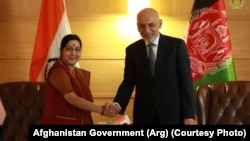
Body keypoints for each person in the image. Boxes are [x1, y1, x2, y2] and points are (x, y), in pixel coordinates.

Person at [104, 8, 195, 125]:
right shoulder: (132, 50)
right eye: (142, 26)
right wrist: (117, 104)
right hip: (144, 116)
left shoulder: (176, 46)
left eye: (151, 25)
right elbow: (128, 82)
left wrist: (188, 115)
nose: (147, 30)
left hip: (172, 115)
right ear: (137, 27)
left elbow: (185, 83)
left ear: (160, 24)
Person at [40, 34, 106, 125]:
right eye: (69, 49)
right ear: (61, 51)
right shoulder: (58, 72)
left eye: (77, 49)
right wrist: (102, 109)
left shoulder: (79, 73)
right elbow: (72, 98)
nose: (73, 53)